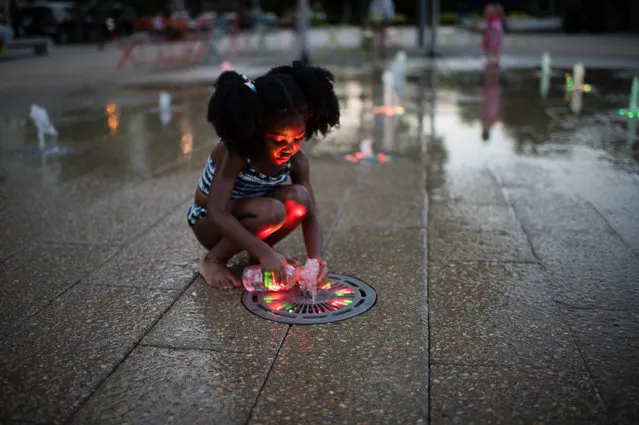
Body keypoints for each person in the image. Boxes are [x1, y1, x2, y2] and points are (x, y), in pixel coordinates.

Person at [188, 61, 340, 290]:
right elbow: (215, 211)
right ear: (257, 130)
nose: (289, 148)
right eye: (278, 141)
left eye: (297, 139)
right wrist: (266, 253)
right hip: (209, 222)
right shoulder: (238, 153)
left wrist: (315, 259)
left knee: (300, 197)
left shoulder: (296, 160)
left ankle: (256, 252)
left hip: (253, 214)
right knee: (271, 211)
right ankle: (213, 260)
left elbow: (310, 213)